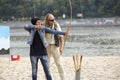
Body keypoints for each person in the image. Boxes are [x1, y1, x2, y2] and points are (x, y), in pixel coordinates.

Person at [44, 13, 65, 80]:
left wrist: (61, 48)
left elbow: (61, 38)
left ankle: (63, 79)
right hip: (47, 47)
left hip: (55, 46)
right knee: (47, 65)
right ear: (47, 20)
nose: (53, 21)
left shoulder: (56, 25)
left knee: (59, 64)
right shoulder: (44, 26)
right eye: (51, 20)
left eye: (53, 19)